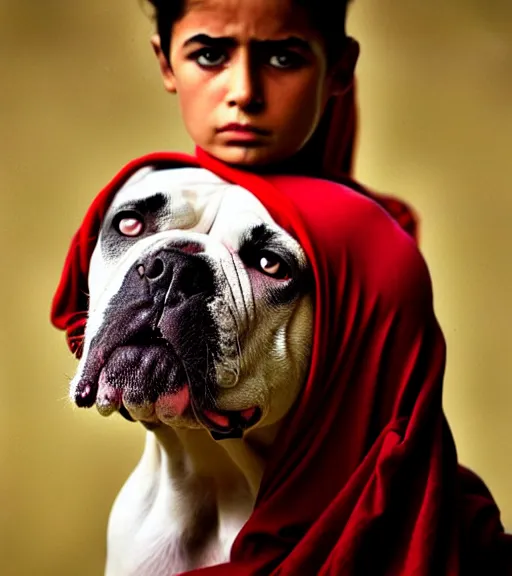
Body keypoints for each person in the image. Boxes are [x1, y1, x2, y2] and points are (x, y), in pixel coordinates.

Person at [51, 0, 512, 573]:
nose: (244, 91)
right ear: (165, 60)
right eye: (132, 227)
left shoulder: (364, 244)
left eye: (268, 263)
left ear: (338, 69)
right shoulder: (146, 179)